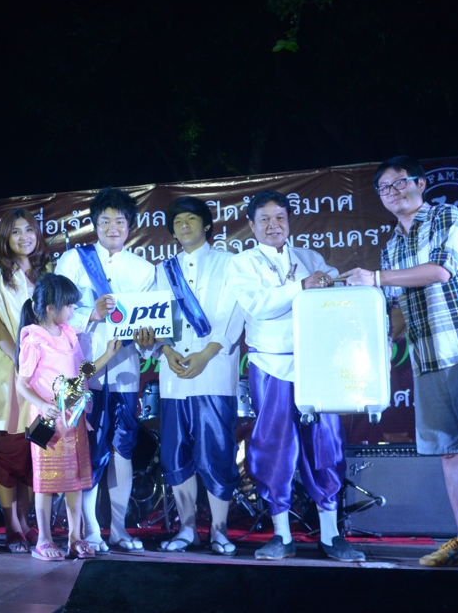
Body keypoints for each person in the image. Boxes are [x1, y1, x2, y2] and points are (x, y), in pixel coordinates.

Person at [345, 156, 458, 572]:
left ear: (420, 184)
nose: (393, 193)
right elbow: (397, 308)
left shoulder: (447, 217)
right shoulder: (392, 245)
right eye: (384, 188)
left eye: (400, 183)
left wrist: (377, 278)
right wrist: (377, 334)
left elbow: (440, 271)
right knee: (449, 453)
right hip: (426, 356)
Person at [228, 190, 365, 562]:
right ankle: (282, 535)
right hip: (271, 365)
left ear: (289, 221)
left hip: (316, 364)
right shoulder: (242, 263)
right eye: (265, 219)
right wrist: (302, 286)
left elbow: (332, 288)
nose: (274, 225)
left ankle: (331, 535)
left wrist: (338, 282)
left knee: (326, 443)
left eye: (280, 218)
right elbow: (259, 305)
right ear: (252, 225)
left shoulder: (310, 258)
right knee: (274, 447)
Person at [54, 187, 155, 553]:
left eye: (120, 221)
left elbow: (152, 325)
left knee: (123, 448)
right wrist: (90, 314)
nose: (113, 227)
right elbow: (55, 314)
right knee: (87, 449)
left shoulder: (144, 270)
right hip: (83, 370)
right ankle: (89, 529)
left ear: (131, 226)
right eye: (105, 220)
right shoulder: (72, 261)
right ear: (94, 224)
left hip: (125, 370)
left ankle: (120, 529)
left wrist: (148, 341)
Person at [144, 197, 245, 555]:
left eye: (191, 219)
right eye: (178, 221)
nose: (185, 225)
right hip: (173, 375)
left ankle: (219, 530)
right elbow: (154, 317)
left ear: (207, 225)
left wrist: (205, 354)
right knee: (176, 453)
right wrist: (166, 351)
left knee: (217, 451)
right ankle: (187, 529)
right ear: (172, 231)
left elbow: (234, 312)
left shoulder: (229, 263)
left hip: (214, 370)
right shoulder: (161, 271)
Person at [16, 273, 121, 561]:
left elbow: (81, 372)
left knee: (75, 481)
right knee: (46, 483)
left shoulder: (69, 334)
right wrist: (42, 404)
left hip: (74, 418)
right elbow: (22, 383)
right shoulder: (34, 339)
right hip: (48, 422)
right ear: (51, 308)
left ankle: (76, 537)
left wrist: (107, 356)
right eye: (70, 305)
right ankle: (44, 540)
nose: (74, 310)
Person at [0, 208, 48, 553]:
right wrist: (22, 361)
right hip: (9, 370)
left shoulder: (47, 273)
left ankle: (26, 520)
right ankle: (11, 526)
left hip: (44, 374)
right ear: (5, 238)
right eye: (16, 232)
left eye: (29, 230)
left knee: (37, 450)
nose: (24, 237)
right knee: (9, 451)